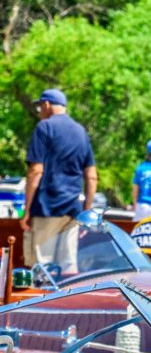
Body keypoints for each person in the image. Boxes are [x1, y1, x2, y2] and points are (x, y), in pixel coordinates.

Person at [21, 88, 97, 274]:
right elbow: (92, 176)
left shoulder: (44, 128)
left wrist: (27, 210)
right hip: (72, 210)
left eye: (40, 107)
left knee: (41, 268)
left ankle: (39, 304)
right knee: (69, 267)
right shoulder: (81, 131)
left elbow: (35, 172)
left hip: (46, 207)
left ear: (46, 105)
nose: (40, 112)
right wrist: (86, 211)